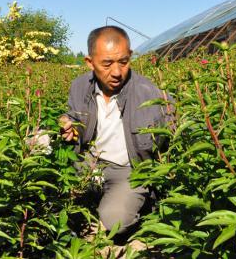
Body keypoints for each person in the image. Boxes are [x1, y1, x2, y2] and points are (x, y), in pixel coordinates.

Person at [59, 25, 174, 239]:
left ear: (130, 56)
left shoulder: (149, 93)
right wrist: (68, 124)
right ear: (89, 62)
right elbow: (72, 116)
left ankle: (136, 201)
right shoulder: (79, 86)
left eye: (123, 62)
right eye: (107, 63)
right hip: (89, 163)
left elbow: (178, 126)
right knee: (45, 160)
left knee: (115, 221)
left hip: (127, 171)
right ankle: (96, 198)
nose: (117, 72)